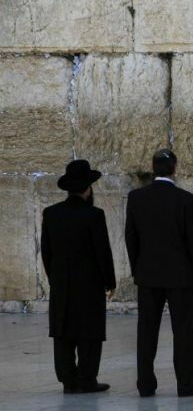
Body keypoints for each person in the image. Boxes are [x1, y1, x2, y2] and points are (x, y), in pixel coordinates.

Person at [125, 149, 193, 397]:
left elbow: (131, 237)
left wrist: (137, 268)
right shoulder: (186, 199)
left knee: (146, 331)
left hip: (148, 274)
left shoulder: (136, 198)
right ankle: (185, 383)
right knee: (182, 331)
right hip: (181, 276)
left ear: (153, 168)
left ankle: (145, 384)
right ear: (174, 168)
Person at [41, 159, 116, 393]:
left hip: (61, 283)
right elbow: (102, 251)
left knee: (63, 332)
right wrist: (109, 282)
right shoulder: (94, 215)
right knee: (89, 333)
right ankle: (87, 379)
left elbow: (46, 252)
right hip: (89, 285)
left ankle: (68, 379)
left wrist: (54, 277)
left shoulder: (51, 214)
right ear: (87, 188)